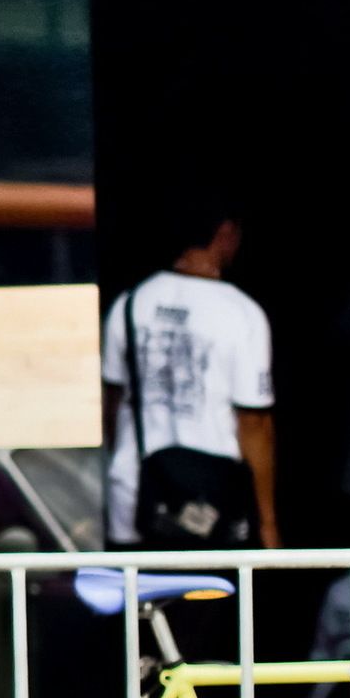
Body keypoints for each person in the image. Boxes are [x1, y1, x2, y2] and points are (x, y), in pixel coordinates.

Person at [102, 205, 279, 550]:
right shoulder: (241, 314)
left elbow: (109, 404)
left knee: (144, 599)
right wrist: (268, 522)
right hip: (211, 502)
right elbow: (253, 423)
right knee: (209, 597)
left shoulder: (130, 303)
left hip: (134, 489)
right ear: (226, 233)